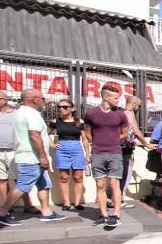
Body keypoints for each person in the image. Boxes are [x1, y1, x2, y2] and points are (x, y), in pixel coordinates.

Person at [0, 88, 66, 226]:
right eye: (42, 98)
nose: (44, 101)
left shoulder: (20, 113)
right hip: (31, 157)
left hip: (30, 156)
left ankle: (47, 212)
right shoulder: (31, 114)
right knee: (23, 185)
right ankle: (1, 213)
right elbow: (34, 136)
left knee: (44, 184)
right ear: (35, 99)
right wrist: (43, 157)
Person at [83, 85, 129, 228]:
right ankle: (103, 215)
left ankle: (116, 215)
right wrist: (95, 144)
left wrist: (113, 141)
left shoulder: (120, 114)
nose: (118, 100)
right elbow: (87, 132)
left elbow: (125, 133)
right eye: (116, 98)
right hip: (98, 153)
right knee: (100, 184)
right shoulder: (91, 114)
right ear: (105, 97)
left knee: (115, 184)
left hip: (115, 152)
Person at [50, 99, 89, 211]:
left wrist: (87, 154)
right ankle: (66, 203)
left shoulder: (79, 122)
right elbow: (45, 133)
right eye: (59, 107)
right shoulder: (55, 121)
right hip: (62, 149)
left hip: (77, 149)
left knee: (78, 177)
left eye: (65, 107)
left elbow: (85, 139)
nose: (61, 109)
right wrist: (52, 144)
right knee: (64, 177)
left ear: (72, 109)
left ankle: (77, 203)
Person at [120, 95, 152, 207]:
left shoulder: (120, 113)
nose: (138, 108)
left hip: (118, 147)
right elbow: (136, 131)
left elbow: (128, 133)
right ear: (133, 104)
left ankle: (113, 197)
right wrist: (146, 143)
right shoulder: (130, 114)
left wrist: (135, 142)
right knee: (125, 174)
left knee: (117, 174)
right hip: (126, 149)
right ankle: (119, 199)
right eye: (138, 106)